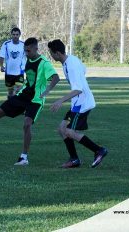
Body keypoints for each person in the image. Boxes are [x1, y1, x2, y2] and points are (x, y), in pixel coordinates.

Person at [0, 37, 60, 166]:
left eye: (28, 51)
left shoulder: (44, 62)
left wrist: (47, 90)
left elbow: (56, 78)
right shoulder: (28, 59)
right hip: (23, 96)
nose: (26, 53)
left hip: (36, 100)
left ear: (35, 49)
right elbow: (31, 79)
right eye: (25, 51)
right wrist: (21, 88)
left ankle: (24, 158)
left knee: (27, 124)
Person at [47, 39, 108, 168]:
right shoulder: (70, 60)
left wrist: (60, 100)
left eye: (51, 53)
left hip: (82, 103)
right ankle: (74, 159)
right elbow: (84, 70)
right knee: (62, 129)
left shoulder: (71, 65)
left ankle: (99, 150)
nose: (51, 56)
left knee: (68, 131)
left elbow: (78, 89)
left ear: (57, 53)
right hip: (77, 102)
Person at [0, 27, 26, 99]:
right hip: (9, 71)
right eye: (13, 34)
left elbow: (28, 56)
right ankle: (10, 103)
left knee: (18, 89)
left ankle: (16, 104)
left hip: (20, 71)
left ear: (19, 35)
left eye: (17, 34)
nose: (15, 36)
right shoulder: (6, 44)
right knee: (10, 91)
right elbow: (1, 55)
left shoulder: (23, 44)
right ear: (11, 35)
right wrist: (1, 66)